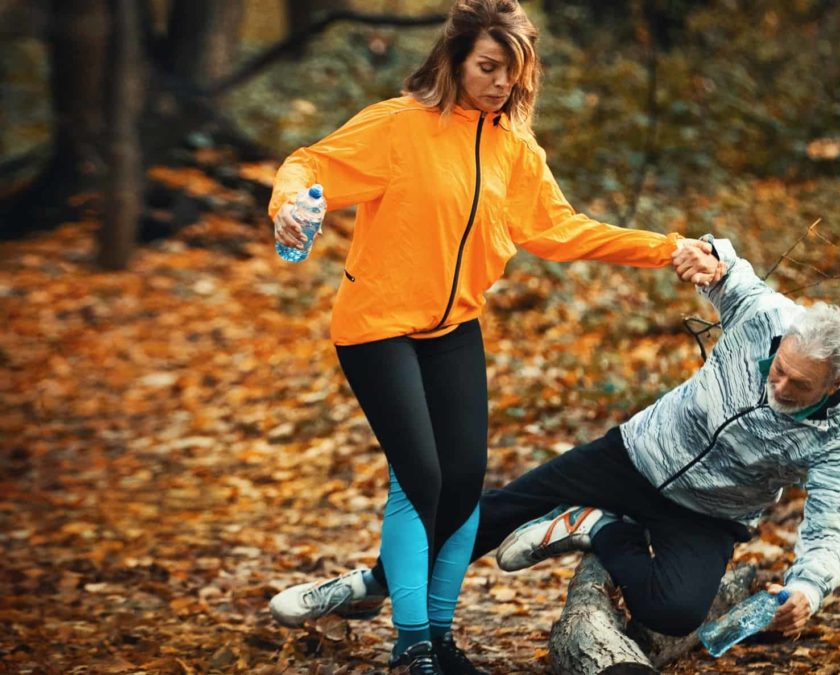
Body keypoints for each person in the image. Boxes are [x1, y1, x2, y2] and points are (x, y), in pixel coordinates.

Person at [265, 2, 710, 673]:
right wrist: (289, 203)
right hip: (377, 327)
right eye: (488, 66)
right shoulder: (397, 125)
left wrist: (669, 247)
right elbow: (308, 162)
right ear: (453, 59)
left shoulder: (514, 151)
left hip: (452, 329)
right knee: (421, 477)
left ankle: (440, 636)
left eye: (514, 72)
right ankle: (412, 643)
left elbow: (566, 229)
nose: (501, 83)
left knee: (466, 482)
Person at [276, 234, 840, 656]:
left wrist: (808, 588)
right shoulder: (767, 318)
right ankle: (370, 584)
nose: (776, 384)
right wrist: (709, 256)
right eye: (775, 369)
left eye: (796, 387)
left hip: (712, 513)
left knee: (671, 614)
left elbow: (831, 521)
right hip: (638, 453)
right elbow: (729, 268)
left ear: (834, 381)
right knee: (487, 513)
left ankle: (601, 529)